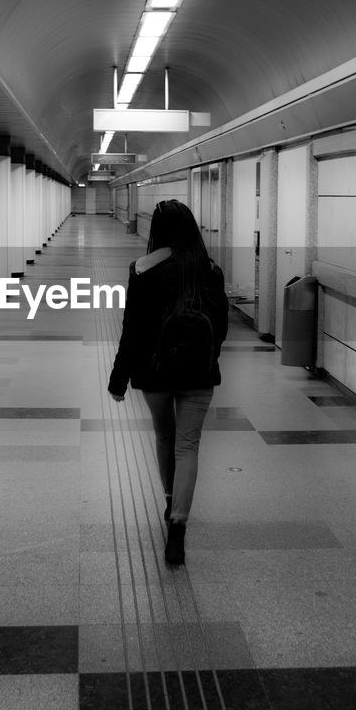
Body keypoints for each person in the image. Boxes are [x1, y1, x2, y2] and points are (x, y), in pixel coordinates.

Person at [108, 199, 228, 565]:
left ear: (157, 230)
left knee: (165, 436)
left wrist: (119, 378)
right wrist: (207, 357)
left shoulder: (143, 270)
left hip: (155, 370)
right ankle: (178, 527)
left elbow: (133, 330)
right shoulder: (209, 270)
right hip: (198, 372)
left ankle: (169, 500)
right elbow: (221, 326)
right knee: (188, 445)